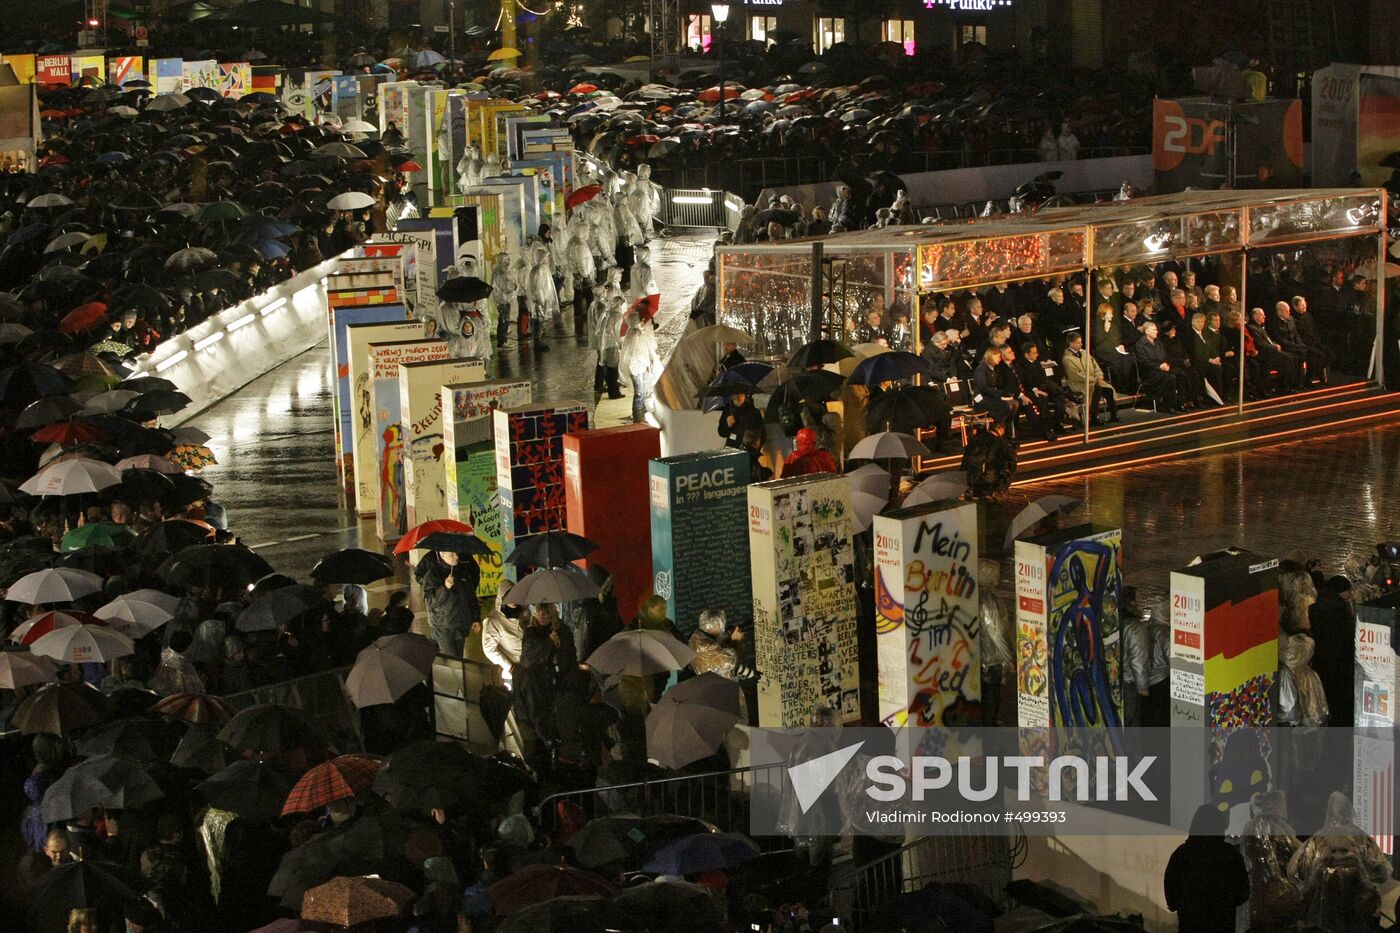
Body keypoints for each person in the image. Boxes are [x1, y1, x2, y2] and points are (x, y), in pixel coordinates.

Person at [1287, 791, 1390, 932]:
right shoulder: (1361, 839)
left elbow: (1297, 872)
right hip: (1354, 908)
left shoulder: (1318, 839)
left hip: (1332, 911)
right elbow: (1381, 872)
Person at [1163, 804, 1250, 933]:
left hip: (1190, 924)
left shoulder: (1182, 854)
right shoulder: (1230, 855)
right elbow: (1243, 892)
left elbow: (1171, 894)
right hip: (1222, 924)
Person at [1241, 790, 1304, 933]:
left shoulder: (1251, 826)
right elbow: (1297, 854)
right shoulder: (1282, 828)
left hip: (1258, 886)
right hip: (1278, 890)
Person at [416, 550, 480, 657]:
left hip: (461, 625)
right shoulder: (433, 574)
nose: (456, 557)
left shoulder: (463, 572)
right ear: (442, 555)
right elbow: (431, 601)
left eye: (456, 554)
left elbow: (471, 596)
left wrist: (475, 618)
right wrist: (445, 588)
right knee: (452, 662)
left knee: (458, 660)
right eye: (451, 555)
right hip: (444, 627)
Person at [1121, 589, 1169, 726]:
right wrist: (1142, 687)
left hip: (1123, 678)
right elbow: (1138, 660)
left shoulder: (1123, 623)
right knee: (1134, 719)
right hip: (1132, 681)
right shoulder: (1137, 627)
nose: (1140, 604)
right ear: (1132, 602)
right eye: (1138, 600)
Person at [1062, 331, 1118, 425]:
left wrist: (1099, 377)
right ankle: (1094, 417)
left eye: (1081, 342)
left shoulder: (1085, 353)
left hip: (1093, 381)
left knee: (1108, 389)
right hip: (1079, 384)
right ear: (1071, 344)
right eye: (1078, 342)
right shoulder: (1067, 359)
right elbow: (1076, 375)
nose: (1081, 344)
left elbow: (1096, 367)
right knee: (1097, 389)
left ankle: (1114, 414)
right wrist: (1094, 380)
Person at [1133, 321, 1186, 411]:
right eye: (1154, 330)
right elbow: (1144, 361)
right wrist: (1159, 366)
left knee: (1181, 374)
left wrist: (1166, 364)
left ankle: (1180, 403)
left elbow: (1165, 357)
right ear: (1147, 331)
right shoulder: (1140, 345)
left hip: (1162, 368)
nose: (1157, 332)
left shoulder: (1158, 343)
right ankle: (1168, 404)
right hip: (1149, 372)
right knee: (1170, 377)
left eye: (1156, 330)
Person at [1248, 306, 1301, 391]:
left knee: (1295, 357)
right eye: (1262, 315)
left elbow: (1269, 340)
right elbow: (1260, 344)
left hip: (1271, 350)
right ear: (1255, 316)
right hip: (1265, 353)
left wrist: (1275, 344)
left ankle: (1291, 384)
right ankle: (1284, 387)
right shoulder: (1252, 328)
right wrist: (1274, 347)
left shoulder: (1261, 327)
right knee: (1288, 359)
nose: (1264, 316)